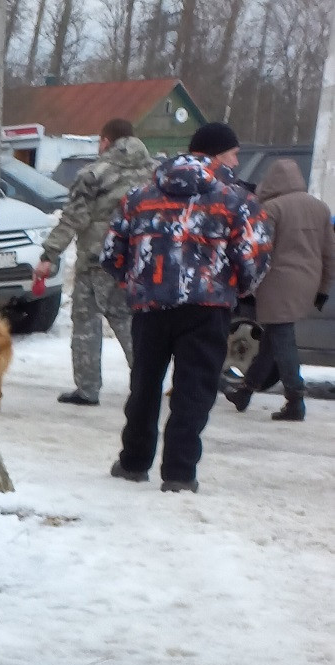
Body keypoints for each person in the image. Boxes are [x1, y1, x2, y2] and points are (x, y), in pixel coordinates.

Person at [101, 119, 270, 489]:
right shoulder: (237, 200)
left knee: (144, 385)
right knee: (194, 391)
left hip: (150, 308)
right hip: (207, 308)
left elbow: (112, 253)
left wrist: (136, 282)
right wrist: (235, 289)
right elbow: (254, 257)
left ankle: (133, 463)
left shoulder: (138, 196)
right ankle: (179, 474)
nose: (237, 163)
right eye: (234, 154)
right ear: (216, 154)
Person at [40, 115, 152, 405]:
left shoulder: (94, 174)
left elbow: (74, 217)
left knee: (87, 323)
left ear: (105, 141)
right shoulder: (153, 172)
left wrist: (49, 253)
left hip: (96, 259)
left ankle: (88, 389)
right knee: (128, 321)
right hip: (139, 259)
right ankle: (146, 383)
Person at [225, 158, 329, 421]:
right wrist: (324, 287)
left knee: (282, 341)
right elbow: (330, 252)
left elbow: (259, 250)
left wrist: (245, 281)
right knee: (272, 338)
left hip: (277, 282)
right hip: (308, 280)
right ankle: (246, 391)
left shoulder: (270, 208)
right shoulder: (320, 207)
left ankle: (295, 399)